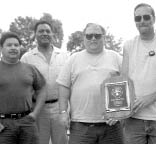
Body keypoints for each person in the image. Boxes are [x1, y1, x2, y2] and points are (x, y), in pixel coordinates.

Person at [57, 23, 124, 144]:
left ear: (104, 37)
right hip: (80, 125)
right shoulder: (73, 59)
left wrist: (119, 112)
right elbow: (63, 86)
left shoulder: (116, 57)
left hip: (111, 125)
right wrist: (62, 112)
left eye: (97, 36)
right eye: (89, 36)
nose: (93, 38)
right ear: (84, 38)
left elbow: (128, 85)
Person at [21, 20, 68, 144]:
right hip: (37, 109)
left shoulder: (64, 55)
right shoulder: (27, 58)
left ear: (52, 34)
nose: (44, 33)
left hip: (60, 108)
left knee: (62, 141)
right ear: (35, 34)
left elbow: (70, 83)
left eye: (48, 31)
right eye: (41, 31)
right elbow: (23, 86)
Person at [0, 32, 46, 144]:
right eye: (9, 45)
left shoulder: (30, 69)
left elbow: (42, 89)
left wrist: (35, 114)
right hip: (3, 125)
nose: (13, 48)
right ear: (1, 48)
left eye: (16, 45)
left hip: (27, 122)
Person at [122, 3, 156, 144]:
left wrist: (151, 96)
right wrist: (117, 110)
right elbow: (123, 80)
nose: (142, 21)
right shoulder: (128, 45)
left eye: (146, 17)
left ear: (153, 19)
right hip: (133, 119)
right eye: (138, 18)